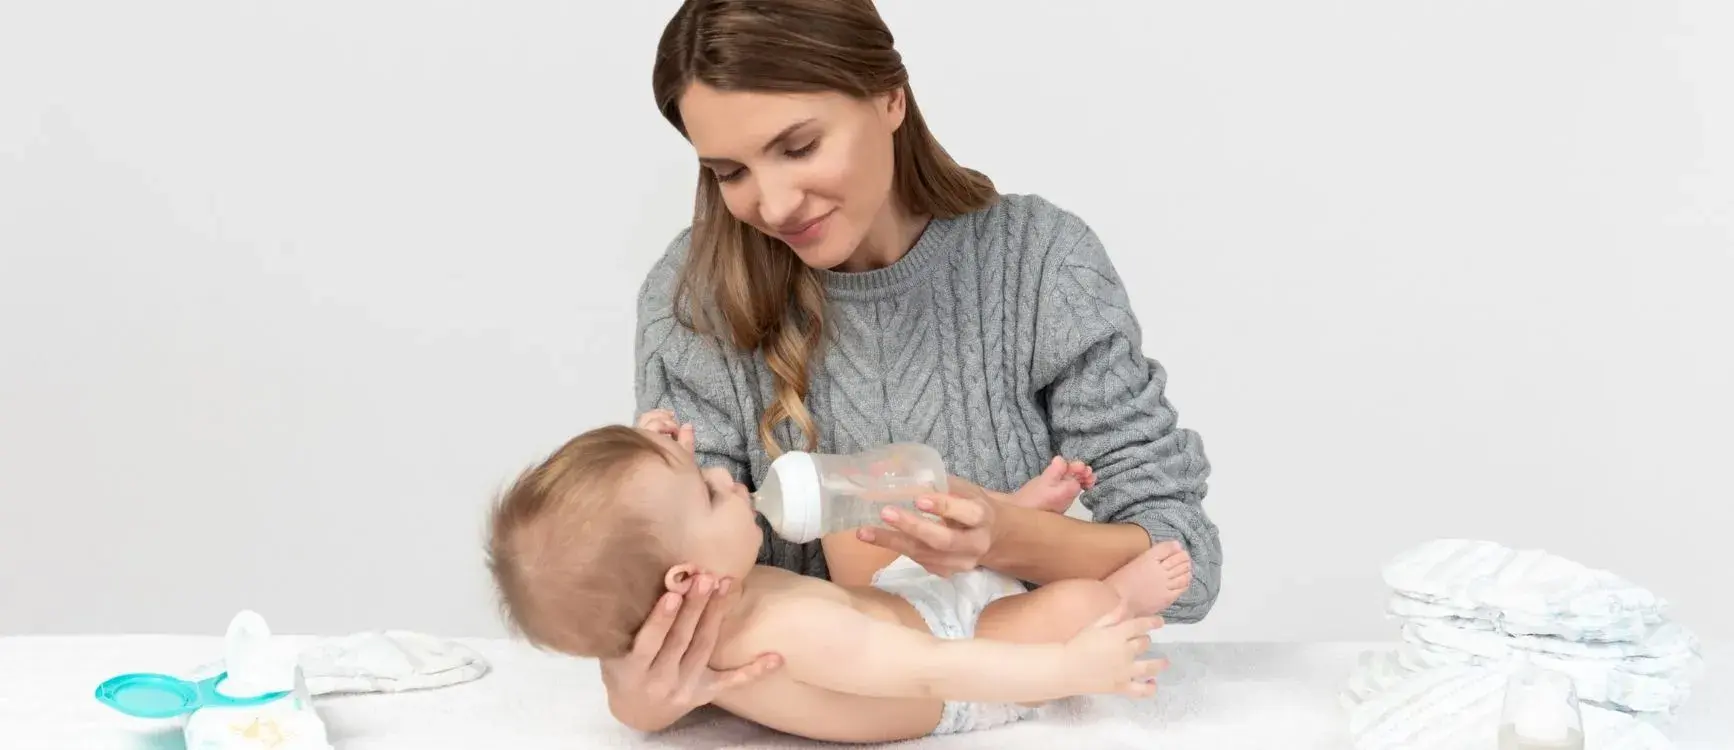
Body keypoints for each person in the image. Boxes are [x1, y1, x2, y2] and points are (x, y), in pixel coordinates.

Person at [614, 0, 1221, 733]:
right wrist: (639, 685)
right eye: (729, 171)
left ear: (889, 97)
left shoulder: (1038, 262)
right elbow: (662, 567)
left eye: (799, 147)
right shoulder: (695, 299)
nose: (772, 204)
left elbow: (1185, 554)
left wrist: (1006, 534)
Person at [484, 417, 1172, 742]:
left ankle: (1006, 523)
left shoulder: (699, 600)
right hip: (953, 654)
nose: (726, 475)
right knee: (1075, 604)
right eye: (705, 490)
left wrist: (652, 455)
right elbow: (936, 669)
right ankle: (1120, 602)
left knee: (860, 510)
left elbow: (617, 552)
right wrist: (1067, 667)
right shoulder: (787, 632)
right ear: (686, 577)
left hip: (899, 600)